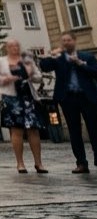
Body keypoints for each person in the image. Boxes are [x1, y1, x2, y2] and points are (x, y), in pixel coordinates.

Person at [39, 33, 97, 174]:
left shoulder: (86, 57)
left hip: (86, 97)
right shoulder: (59, 59)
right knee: (74, 131)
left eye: (68, 40)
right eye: (63, 40)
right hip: (68, 98)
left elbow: (95, 72)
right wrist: (51, 55)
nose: (66, 43)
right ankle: (81, 163)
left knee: (94, 129)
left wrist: (80, 63)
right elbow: (45, 66)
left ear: (74, 41)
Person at [0, 39, 44, 172]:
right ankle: (20, 163)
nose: (14, 48)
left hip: (28, 97)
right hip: (11, 97)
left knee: (33, 129)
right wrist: (6, 79)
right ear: (6, 48)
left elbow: (39, 77)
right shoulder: (0, 60)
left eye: (16, 45)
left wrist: (30, 74)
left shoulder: (27, 61)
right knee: (16, 130)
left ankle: (39, 163)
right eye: (11, 46)